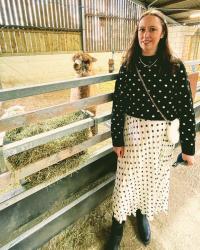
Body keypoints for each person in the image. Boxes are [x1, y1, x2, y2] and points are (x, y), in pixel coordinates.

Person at [106, 9, 196, 249]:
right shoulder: (128, 67)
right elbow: (119, 107)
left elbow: (186, 110)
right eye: (142, 29)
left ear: (163, 33)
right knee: (126, 181)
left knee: (152, 180)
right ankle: (117, 225)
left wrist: (188, 148)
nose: (145, 34)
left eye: (152, 29)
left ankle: (142, 213)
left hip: (161, 140)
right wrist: (117, 139)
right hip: (132, 135)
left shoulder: (175, 68)